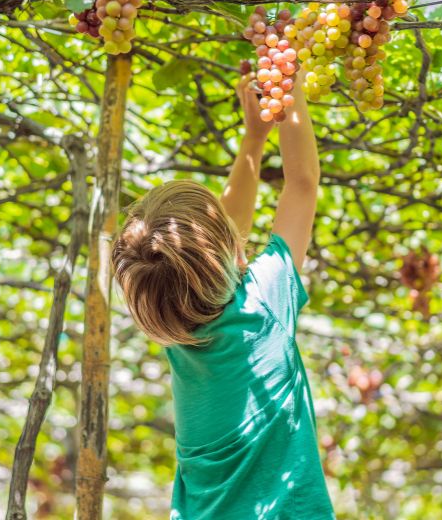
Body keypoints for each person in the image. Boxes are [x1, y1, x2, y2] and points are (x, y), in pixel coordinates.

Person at [112, 68, 334, 519]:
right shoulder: (263, 307)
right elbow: (302, 183)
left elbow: (275, 202)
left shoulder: (174, 329)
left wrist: (254, 142)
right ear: (235, 253)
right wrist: (286, 84)